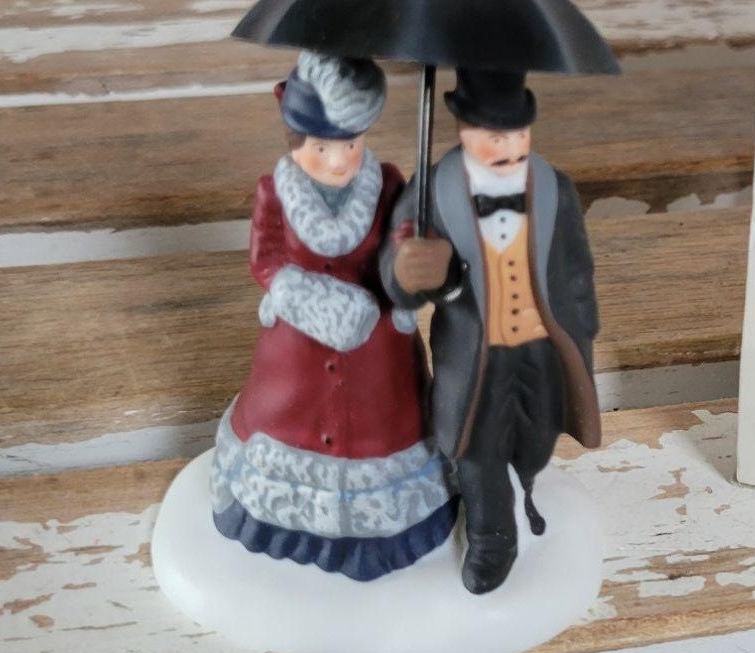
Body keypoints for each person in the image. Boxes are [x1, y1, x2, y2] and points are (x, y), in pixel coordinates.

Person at [210, 51, 457, 578]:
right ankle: (289, 522)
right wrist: (296, 292)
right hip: (297, 348)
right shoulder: (275, 192)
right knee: (287, 416)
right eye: (323, 147)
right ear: (296, 139)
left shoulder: (387, 184)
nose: (339, 160)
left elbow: (400, 236)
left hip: (375, 347)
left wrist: (412, 254)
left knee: (382, 425)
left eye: (350, 143)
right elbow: (265, 258)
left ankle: (379, 531)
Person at [381, 69, 602, 595]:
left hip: (542, 350)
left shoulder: (554, 187)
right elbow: (395, 276)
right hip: (474, 355)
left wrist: (583, 328)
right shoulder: (431, 192)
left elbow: (575, 268)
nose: (508, 147)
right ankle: (492, 535)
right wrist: (412, 274)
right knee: (476, 447)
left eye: (518, 134)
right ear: (462, 129)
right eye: (493, 136)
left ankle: (526, 486)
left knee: (536, 434)